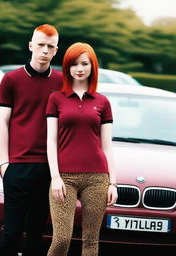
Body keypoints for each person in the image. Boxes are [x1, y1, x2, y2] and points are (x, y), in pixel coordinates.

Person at [46, 42, 118, 256]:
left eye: (84, 63)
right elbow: (51, 141)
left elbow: (107, 146)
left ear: (92, 66)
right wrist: (55, 177)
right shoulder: (56, 99)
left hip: (97, 178)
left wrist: (112, 182)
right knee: (60, 239)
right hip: (64, 178)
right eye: (74, 64)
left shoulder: (103, 102)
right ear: (67, 67)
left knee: (90, 242)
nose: (79, 68)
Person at [0, 24, 62, 256]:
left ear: (56, 51)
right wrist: (4, 162)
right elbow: (2, 122)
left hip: (48, 168)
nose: (45, 50)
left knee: (36, 232)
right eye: (41, 45)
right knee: (11, 230)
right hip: (18, 166)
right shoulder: (11, 79)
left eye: (50, 47)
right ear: (31, 46)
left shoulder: (62, 82)